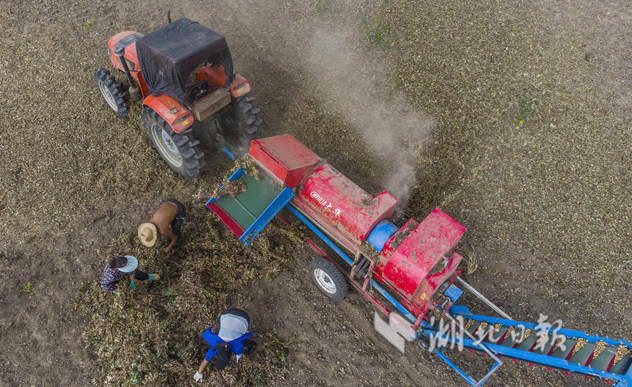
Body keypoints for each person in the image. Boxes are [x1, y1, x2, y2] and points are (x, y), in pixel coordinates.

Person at [194, 308, 257, 382]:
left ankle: (252, 346)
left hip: (244, 317)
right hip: (228, 313)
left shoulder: (237, 345)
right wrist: (199, 372)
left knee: (245, 341)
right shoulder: (215, 346)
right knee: (219, 328)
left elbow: (239, 352)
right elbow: (205, 360)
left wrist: (240, 354)